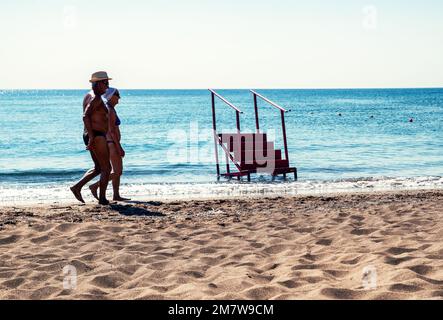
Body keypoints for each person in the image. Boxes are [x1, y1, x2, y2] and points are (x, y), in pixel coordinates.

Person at [70, 71, 112, 205]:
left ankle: (76, 187)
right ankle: (102, 199)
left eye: (108, 82)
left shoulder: (89, 95)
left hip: (91, 134)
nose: (108, 85)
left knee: (99, 168)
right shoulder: (95, 98)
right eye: (105, 82)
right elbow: (85, 115)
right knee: (107, 168)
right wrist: (93, 137)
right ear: (98, 83)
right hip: (96, 135)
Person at [89, 88, 130, 201]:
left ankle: (116, 195)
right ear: (111, 96)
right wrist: (119, 147)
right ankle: (95, 186)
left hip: (110, 142)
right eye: (117, 95)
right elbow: (111, 131)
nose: (119, 98)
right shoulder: (110, 110)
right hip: (111, 143)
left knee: (116, 171)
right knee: (118, 171)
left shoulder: (108, 108)